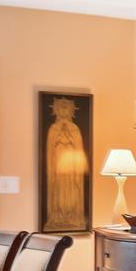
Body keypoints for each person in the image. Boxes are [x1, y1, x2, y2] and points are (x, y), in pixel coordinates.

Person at [45, 96, 88, 230]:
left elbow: (78, 147)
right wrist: (58, 138)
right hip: (58, 170)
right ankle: (58, 217)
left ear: (71, 110)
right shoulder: (53, 129)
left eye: (66, 108)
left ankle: (73, 217)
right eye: (61, 108)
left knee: (72, 192)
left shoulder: (75, 129)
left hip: (72, 170)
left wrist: (70, 138)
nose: (64, 111)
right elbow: (50, 149)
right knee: (58, 192)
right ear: (56, 110)